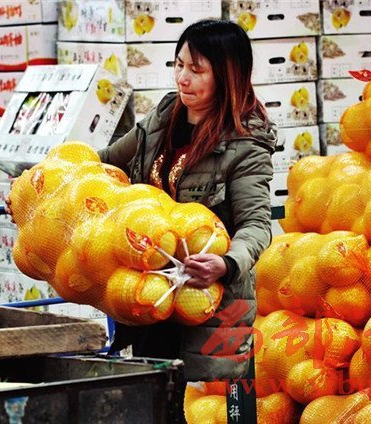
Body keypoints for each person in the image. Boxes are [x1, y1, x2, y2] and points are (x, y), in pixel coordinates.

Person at [99, 19, 276, 386]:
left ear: (227, 76)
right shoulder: (164, 116)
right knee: (151, 392)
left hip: (205, 296)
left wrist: (226, 264)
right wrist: (46, 181)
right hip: (150, 286)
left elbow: (256, 224)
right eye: (178, 65)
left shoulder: (245, 145)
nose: (182, 78)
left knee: (191, 399)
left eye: (196, 70)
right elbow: (108, 161)